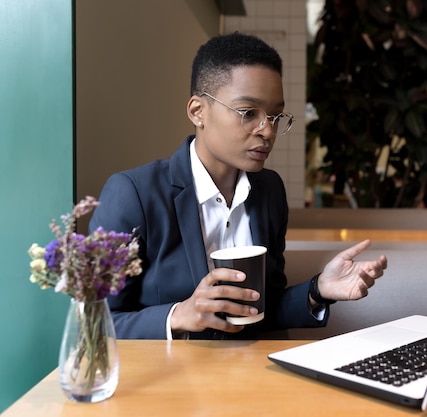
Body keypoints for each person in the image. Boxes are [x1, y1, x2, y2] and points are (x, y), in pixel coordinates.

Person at [89, 32, 388, 340]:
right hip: (169, 380)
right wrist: (178, 315)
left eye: (274, 116)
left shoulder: (269, 190)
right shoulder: (133, 194)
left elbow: (260, 310)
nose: (268, 131)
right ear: (198, 111)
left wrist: (319, 289)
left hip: (250, 376)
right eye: (249, 113)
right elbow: (96, 322)